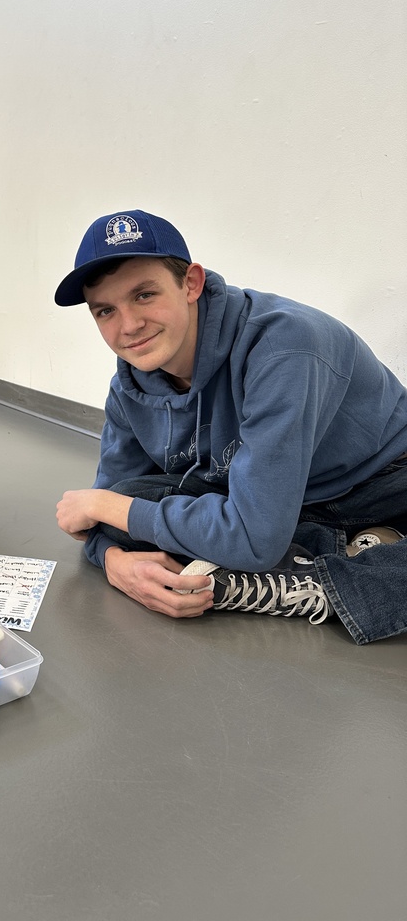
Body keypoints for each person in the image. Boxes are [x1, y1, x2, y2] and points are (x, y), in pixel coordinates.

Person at [54, 210, 407, 644]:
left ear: (191, 283)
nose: (128, 327)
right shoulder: (129, 382)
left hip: (382, 485)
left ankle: (319, 582)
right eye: (105, 310)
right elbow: (107, 504)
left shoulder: (285, 346)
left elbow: (101, 508)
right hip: (275, 498)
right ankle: (349, 552)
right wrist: (115, 564)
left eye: (144, 295)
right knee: (132, 500)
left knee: (157, 516)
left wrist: (106, 511)